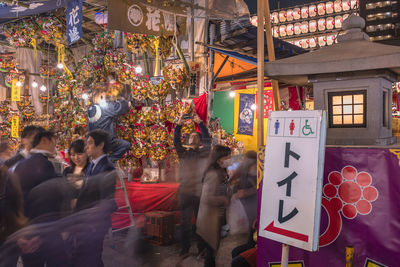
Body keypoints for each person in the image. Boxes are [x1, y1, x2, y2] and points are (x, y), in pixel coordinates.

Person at [71, 129, 117, 267]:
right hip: (85, 221)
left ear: (101, 145)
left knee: (92, 258)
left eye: (89, 143)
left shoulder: (107, 167)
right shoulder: (92, 164)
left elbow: (106, 199)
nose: (86, 147)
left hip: (94, 224)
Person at [174, 112, 211, 256]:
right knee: (185, 224)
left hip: (199, 192)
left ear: (199, 141)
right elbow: (176, 141)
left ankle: (201, 249)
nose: (193, 137)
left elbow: (208, 141)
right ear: (188, 140)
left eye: (196, 136)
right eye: (190, 136)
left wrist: (201, 123)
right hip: (185, 192)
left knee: (201, 223)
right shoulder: (182, 152)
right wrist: (178, 125)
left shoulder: (204, 152)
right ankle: (185, 249)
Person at [196, 145, 232, 267]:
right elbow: (206, 198)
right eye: (228, 157)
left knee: (213, 250)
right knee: (211, 252)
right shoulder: (213, 174)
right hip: (209, 219)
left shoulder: (222, 171)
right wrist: (222, 199)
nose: (230, 159)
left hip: (216, 217)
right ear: (219, 158)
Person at [14, 131, 58, 219]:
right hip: (37, 218)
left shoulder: (21, 163)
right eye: (54, 142)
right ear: (44, 141)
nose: (55, 147)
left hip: (21, 216)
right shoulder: (44, 164)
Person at [88, 91, 130, 162]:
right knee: (126, 145)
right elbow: (121, 108)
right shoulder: (105, 107)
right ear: (101, 96)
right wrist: (125, 102)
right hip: (106, 141)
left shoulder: (90, 109)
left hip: (94, 141)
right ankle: (107, 161)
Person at [231, 151, 258, 226]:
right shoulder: (243, 168)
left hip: (249, 201)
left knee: (249, 223)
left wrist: (248, 192)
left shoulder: (243, 167)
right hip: (248, 201)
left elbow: (232, 179)